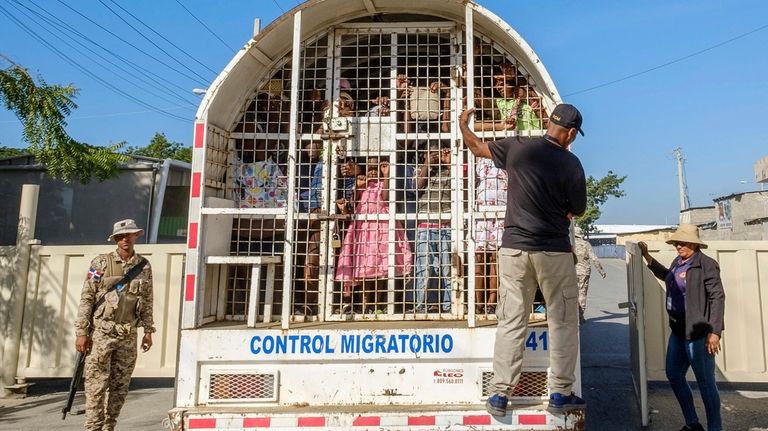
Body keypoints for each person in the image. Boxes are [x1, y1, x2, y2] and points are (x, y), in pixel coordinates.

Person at [460, 103, 587, 416]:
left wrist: (463, 123)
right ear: (570, 133)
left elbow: (476, 148)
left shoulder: (518, 149)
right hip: (554, 252)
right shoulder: (571, 164)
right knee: (562, 322)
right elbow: (579, 208)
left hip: (514, 249)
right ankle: (559, 394)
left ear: (548, 122)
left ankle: (500, 394)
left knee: (512, 321)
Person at [638, 225, 725, 431]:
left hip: (698, 333)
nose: (679, 246)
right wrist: (648, 257)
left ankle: (715, 427)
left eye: (683, 242)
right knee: (674, 374)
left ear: (694, 243)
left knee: (705, 383)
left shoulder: (707, 265)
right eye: (677, 242)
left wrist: (715, 331)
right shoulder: (678, 262)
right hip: (678, 331)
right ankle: (692, 423)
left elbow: (717, 297)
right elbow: (668, 277)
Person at [74, 219, 154, 431]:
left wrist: (148, 330)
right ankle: (93, 427)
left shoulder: (143, 266)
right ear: (115, 239)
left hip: (128, 334)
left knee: (120, 387)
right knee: (96, 385)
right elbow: (87, 298)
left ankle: (109, 426)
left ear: (136, 236)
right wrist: (82, 332)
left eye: (128, 235)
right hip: (102, 333)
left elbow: (147, 299)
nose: (124, 240)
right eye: (120, 236)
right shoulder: (99, 263)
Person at [335, 157, 413, 314]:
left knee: (381, 270)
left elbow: (385, 197)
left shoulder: (382, 184)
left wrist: (386, 175)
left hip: (381, 230)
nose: (372, 171)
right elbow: (352, 203)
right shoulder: (361, 184)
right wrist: (359, 187)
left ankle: (377, 304)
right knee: (364, 270)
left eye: (375, 168)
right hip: (363, 231)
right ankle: (364, 304)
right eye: (369, 168)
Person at [411, 141, 453, 313]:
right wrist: (428, 164)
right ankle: (421, 306)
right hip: (425, 226)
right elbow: (416, 188)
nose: (436, 156)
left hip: (446, 225)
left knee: (448, 269)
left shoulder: (450, 169)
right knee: (424, 270)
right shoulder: (419, 170)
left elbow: (461, 186)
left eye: (438, 152)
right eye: (431, 153)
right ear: (424, 155)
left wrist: (448, 162)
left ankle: (450, 305)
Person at [473, 156, 507, 315]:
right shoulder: (478, 155)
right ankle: (478, 302)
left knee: (495, 259)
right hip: (481, 211)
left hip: (502, 211)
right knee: (479, 257)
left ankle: (491, 302)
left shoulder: (507, 155)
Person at [473, 63, 544, 132]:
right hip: (511, 140)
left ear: (512, 83)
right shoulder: (500, 102)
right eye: (496, 86)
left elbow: (541, 105)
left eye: (502, 84)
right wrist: (469, 80)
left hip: (531, 138)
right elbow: (483, 102)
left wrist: (513, 77)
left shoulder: (527, 97)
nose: (498, 88)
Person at [573, 232, 606, 323]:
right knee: (582, 293)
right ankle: (580, 316)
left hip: (572, 271)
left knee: (572, 293)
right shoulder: (585, 244)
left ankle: (573, 316)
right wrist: (601, 271)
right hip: (584, 272)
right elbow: (594, 259)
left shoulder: (570, 243)